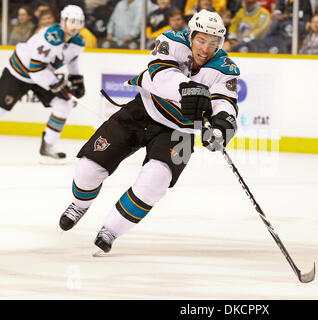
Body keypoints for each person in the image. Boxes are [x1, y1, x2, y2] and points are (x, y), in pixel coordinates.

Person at [58, 9, 240, 254]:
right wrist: (186, 88)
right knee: (88, 168)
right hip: (141, 111)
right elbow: (159, 74)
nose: (206, 49)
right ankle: (79, 204)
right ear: (191, 35)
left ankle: (111, 229)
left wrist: (222, 125)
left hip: (181, 132)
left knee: (156, 181)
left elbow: (225, 102)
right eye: (201, 40)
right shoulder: (171, 41)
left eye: (213, 42)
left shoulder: (226, 68)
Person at [0, 5, 86, 164]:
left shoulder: (79, 42)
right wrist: (56, 84)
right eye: (71, 21)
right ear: (63, 21)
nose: (74, 26)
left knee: (64, 104)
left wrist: (76, 78)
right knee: (1, 108)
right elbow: (35, 69)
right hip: (18, 72)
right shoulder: (50, 37)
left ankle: (48, 147)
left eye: (78, 22)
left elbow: (72, 59)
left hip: (42, 73)